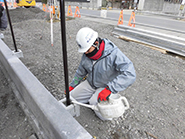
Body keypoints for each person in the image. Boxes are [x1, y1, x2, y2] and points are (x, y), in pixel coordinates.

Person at [69, 27, 136, 120]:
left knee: (99, 108)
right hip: (91, 83)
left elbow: (130, 73)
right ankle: (92, 97)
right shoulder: (86, 55)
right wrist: (73, 84)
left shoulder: (113, 54)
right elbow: (81, 71)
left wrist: (109, 89)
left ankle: (102, 103)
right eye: (84, 51)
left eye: (88, 50)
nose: (86, 53)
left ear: (96, 43)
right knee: (72, 97)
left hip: (105, 86)